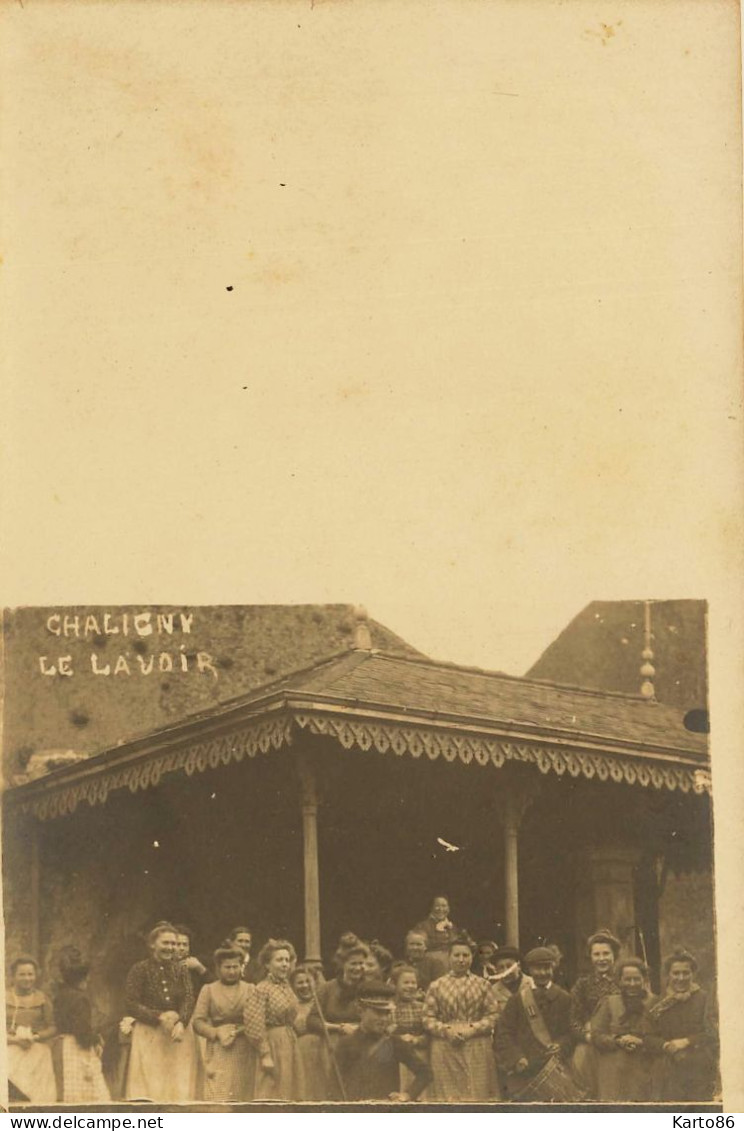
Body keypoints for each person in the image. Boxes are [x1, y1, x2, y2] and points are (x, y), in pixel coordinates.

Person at [494, 946, 578, 1101]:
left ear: (553, 968)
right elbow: (504, 1033)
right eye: (537, 969)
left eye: (546, 968)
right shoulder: (517, 1000)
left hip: (553, 1069)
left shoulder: (564, 998)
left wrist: (560, 1045)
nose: (542, 973)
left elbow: (570, 1032)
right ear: (529, 970)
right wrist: (516, 1058)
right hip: (524, 1069)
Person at [123, 922, 196, 1102]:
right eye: (165, 943)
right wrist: (157, 1016)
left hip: (177, 1034)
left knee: (177, 1084)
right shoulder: (139, 969)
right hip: (149, 1034)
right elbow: (130, 1003)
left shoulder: (181, 970)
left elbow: (188, 996)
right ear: (152, 944)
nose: (170, 948)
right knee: (150, 1085)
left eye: (173, 943)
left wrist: (182, 1021)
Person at [423, 937, 500, 1101]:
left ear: (472, 958)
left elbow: (493, 1015)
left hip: (477, 1044)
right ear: (448, 957)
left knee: (477, 1094)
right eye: (456, 955)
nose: (461, 960)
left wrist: (473, 1029)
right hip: (445, 1045)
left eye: (465, 955)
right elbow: (428, 1017)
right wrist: (446, 1030)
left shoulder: (483, 984)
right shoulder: (436, 985)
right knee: (447, 1096)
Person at [336, 981, 432, 1102]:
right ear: (360, 1011)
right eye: (378, 1012)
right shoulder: (346, 1044)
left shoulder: (393, 1042)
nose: (384, 1019)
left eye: (386, 1013)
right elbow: (334, 1084)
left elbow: (425, 1073)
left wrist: (407, 1095)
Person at [647, 949, 718, 1102]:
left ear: (693, 974)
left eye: (686, 973)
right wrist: (665, 1045)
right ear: (668, 975)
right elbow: (648, 1036)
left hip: (698, 1064)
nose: (681, 978)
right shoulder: (658, 1003)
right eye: (676, 973)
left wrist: (687, 1042)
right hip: (667, 1067)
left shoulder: (705, 999)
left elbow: (712, 1033)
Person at [243, 939, 305, 1101]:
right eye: (279, 960)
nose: (285, 964)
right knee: (272, 1090)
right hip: (272, 1044)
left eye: (287, 960)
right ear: (267, 964)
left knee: (291, 1090)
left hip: (290, 1042)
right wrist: (265, 1054)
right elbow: (254, 1024)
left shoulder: (287, 987)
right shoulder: (261, 989)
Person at [305, 943, 369, 1099]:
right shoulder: (327, 988)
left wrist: (358, 1028)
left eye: (361, 963)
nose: (358, 968)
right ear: (343, 964)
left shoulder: (370, 988)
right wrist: (338, 1028)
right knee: (334, 1087)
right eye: (353, 963)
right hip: (332, 1044)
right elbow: (312, 1020)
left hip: (362, 1042)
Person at [192, 946, 255, 1102]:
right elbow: (198, 1022)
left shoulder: (250, 989)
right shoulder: (208, 989)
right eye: (227, 967)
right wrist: (215, 1032)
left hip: (244, 1046)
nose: (232, 971)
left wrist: (239, 1031)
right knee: (218, 1092)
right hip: (218, 1047)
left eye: (236, 967)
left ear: (241, 967)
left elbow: (257, 1019)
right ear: (219, 968)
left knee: (243, 1094)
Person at [592, 958, 657, 1102]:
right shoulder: (609, 1002)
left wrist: (641, 1042)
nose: (632, 984)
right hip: (614, 1067)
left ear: (644, 980)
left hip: (643, 1066)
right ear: (620, 981)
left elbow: (662, 1036)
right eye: (627, 980)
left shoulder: (654, 1003)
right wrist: (617, 1041)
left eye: (636, 979)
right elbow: (597, 1035)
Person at [52, 948, 110, 1103]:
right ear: (82, 978)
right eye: (86, 977)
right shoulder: (80, 999)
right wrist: (96, 1038)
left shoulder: (60, 995)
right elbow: (82, 1032)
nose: (88, 980)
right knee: (85, 1089)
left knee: (68, 1088)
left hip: (63, 1044)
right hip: (77, 1047)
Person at [569, 929, 621, 1098]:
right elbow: (572, 1019)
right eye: (596, 954)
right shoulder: (583, 984)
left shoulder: (627, 979)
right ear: (590, 957)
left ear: (615, 955)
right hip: (591, 1042)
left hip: (621, 1040)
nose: (601, 959)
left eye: (606, 953)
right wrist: (587, 1036)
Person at [6, 956, 57, 1104]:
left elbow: (53, 1026)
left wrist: (35, 1036)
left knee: (42, 1054)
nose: (27, 978)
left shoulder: (42, 998)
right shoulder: (4, 997)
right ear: (13, 976)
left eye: (30, 974)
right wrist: (14, 1040)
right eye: (22, 974)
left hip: (34, 1045)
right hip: (8, 1044)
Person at [391, 964, 428, 1098]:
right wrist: (399, 1038)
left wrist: (416, 1039)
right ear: (395, 985)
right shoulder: (390, 1008)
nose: (410, 986)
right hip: (397, 1059)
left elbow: (429, 1033)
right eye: (405, 982)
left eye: (413, 983)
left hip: (419, 1055)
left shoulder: (423, 1008)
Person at [413, 896, 461, 978]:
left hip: (452, 964)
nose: (441, 909)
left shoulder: (453, 927)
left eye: (444, 906)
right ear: (431, 908)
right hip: (431, 965)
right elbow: (420, 947)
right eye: (437, 906)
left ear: (448, 909)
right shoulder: (423, 926)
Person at [173, 925, 211, 994]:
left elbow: (215, 988)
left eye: (185, 945)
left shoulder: (197, 963)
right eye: (178, 944)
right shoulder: (163, 964)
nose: (182, 948)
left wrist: (200, 968)